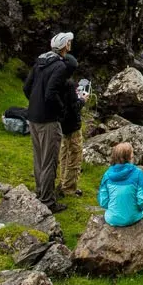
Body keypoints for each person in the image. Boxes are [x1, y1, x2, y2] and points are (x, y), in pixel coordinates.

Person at [23, 31, 74, 212]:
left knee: (39, 159)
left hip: (33, 118)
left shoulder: (40, 62)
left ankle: (40, 193)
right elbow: (51, 92)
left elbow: (27, 87)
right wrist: (60, 110)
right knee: (50, 161)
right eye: (69, 42)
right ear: (65, 46)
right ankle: (48, 202)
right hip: (48, 120)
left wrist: (35, 105)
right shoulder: (59, 67)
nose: (70, 44)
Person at [98, 142, 143, 227]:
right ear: (129, 158)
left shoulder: (107, 175)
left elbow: (103, 201)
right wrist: (136, 210)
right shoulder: (138, 173)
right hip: (132, 217)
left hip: (111, 218)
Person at [57, 55, 87, 198]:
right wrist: (82, 100)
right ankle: (69, 188)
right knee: (75, 155)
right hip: (73, 125)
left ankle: (62, 181)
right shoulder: (69, 85)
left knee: (64, 154)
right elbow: (74, 107)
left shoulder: (56, 81)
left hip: (61, 124)